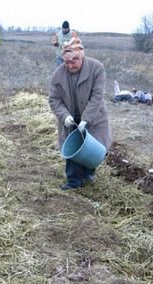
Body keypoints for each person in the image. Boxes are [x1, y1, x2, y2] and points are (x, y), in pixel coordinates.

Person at [49, 33, 112, 190]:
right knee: (73, 148)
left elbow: (97, 97)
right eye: (66, 62)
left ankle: (89, 172)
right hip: (70, 118)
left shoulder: (96, 69)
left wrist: (86, 119)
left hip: (94, 116)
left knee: (94, 147)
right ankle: (74, 182)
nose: (70, 65)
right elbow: (54, 100)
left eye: (73, 61)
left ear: (81, 56)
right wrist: (64, 116)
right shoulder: (58, 75)